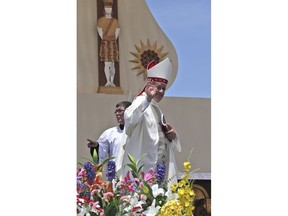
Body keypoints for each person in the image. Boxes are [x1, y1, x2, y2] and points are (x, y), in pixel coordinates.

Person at [117, 57, 181, 186]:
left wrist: (172, 136)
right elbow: (129, 118)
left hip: (160, 164)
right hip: (145, 164)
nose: (162, 91)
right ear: (149, 86)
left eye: (164, 88)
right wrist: (147, 98)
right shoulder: (141, 101)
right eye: (159, 87)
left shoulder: (156, 107)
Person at [87, 101, 131, 166]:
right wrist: (96, 147)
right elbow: (100, 156)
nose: (117, 114)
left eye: (120, 111)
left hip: (134, 172)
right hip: (115, 171)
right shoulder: (109, 133)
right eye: (116, 111)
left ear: (129, 111)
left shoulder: (138, 131)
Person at [97, 0, 120, 87]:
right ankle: (108, 81)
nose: (108, 10)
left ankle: (112, 81)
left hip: (113, 42)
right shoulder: (101, 20)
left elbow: (117, 31)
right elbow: (100, 31)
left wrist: (113, 38)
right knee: (107, 63)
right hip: (105, 42)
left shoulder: (115, 21)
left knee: (113, 62)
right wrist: (105, 38)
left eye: (109, 8)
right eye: (107, 8)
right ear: (104, 9)